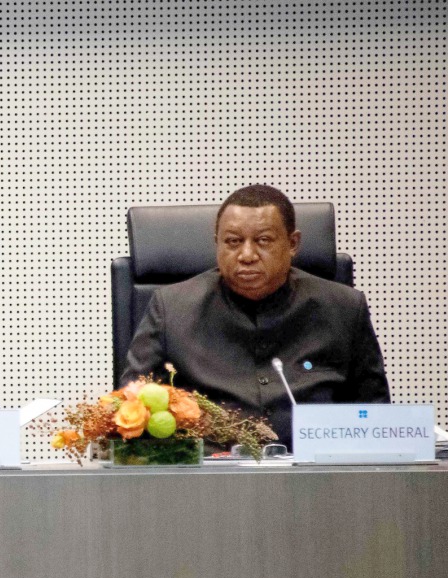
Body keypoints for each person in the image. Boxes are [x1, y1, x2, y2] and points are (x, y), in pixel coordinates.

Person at [122, 184, 390, 449]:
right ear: (217, 243)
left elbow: (376, 418)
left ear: (293, 243)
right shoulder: (171, 308)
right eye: (233, 242)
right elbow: (132, 406)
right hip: (209, 479)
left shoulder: (343, 308)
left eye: (263, 240)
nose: (247, 255)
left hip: (316, 476)